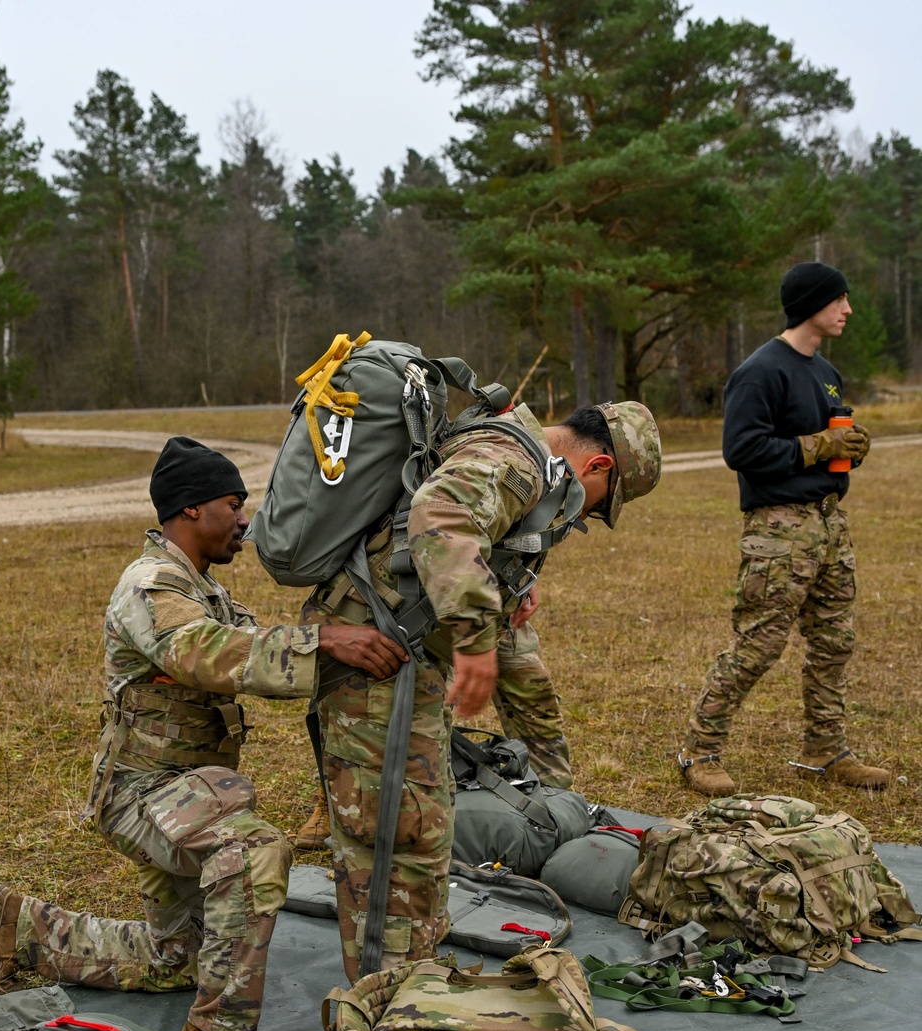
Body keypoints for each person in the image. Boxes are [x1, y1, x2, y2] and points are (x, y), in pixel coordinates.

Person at [0, 436, 404, 1031]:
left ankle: (31, 930)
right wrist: (326, 641)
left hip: (188, 793)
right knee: (255, 851)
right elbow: (205, 653)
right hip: (141, 794)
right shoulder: (150, 586)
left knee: (174, 960)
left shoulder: (206, 591)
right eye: (233, 505)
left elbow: (254, 646)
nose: (245, 521)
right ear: (189, 510)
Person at [300, 400, 661, 981]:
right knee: (389, 838)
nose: (584, 518)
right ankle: (383, 998)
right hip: (376, 656)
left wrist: (515, 584)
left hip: (401, 651)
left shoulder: (519, 456)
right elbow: (440, 514)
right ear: (596, 465)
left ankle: (411, 973)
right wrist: (473, 638)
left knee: (419, 825)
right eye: (599, 506)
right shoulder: (515, 459)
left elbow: (478, 530)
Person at [678, 261, 890, 795]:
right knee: (759, 644)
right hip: (779, 529)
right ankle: (698, 751)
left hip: (828, 525)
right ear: (811, 305)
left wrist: (850, 450)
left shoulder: (827, 373)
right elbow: (741, 450)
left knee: (833, 642)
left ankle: (825, 750)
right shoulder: (760, 371)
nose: (847, 309)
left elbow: (825, 444)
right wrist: (820, 445)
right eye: (838, 300)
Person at [292, 582, 570, 851]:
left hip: (493, 584)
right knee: (359, 697)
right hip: (404, 590)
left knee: (532, 688)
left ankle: (553, 804)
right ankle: (335, 801)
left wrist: (526, 575)